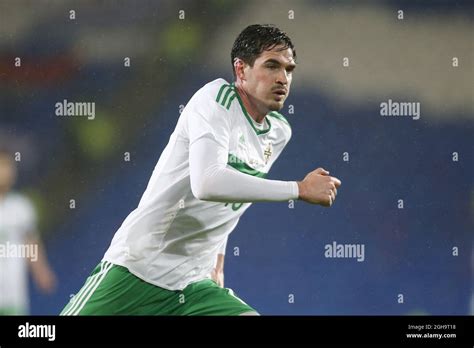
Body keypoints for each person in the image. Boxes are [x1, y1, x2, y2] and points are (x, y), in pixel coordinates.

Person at [60, 24, 341, 316]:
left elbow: (234, 197)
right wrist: (298, 189)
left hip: (192, 285)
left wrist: (218, 256)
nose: (283, 78)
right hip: (138, 270)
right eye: (272, 66)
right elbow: (207, 183)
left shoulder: (279, 133)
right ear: (241, 70)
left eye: (289, 69)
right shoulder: (215, 100)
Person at [0, 149, 57, 315]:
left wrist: (41, 270)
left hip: (13, 290)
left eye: (9, 166)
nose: (6, 171)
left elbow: (31, 243)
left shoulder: (21, 207)